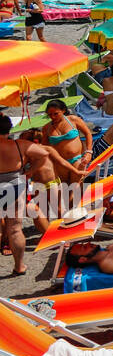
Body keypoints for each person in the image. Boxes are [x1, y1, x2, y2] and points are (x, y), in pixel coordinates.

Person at [0, 117, 30, 275]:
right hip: (14, 185)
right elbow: (44, 154)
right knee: (15, 229)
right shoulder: (19, 145)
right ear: (9, 129)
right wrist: (29, 172)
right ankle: (19, 266)